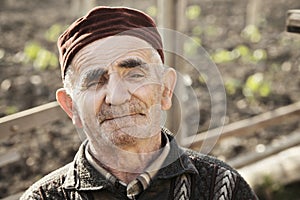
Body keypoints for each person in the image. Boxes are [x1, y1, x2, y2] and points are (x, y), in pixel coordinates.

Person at [21, 6, 258, 200]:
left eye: (134, 75)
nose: (117, 96)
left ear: (165, 89)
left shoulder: (223, 189)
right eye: (95, 81)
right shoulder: (43, 198)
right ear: (71, 106)